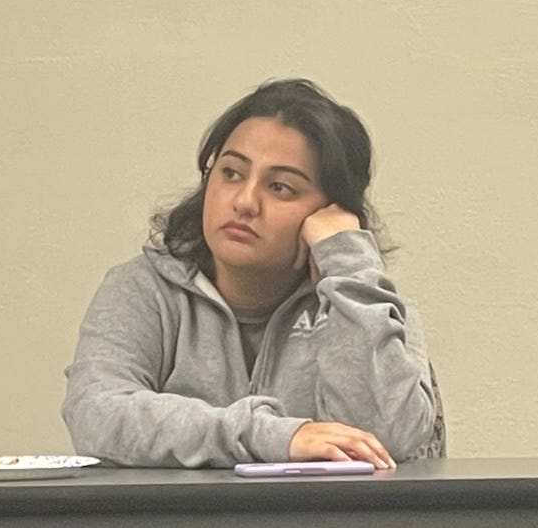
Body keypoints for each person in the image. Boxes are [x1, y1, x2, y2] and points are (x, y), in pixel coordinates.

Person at [61, 78, 444, 469]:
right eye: (231, 173)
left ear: (329, 211)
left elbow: (383, 439)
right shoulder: (144, 289)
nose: (244, 202)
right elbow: (96, 414)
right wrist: (275, 435)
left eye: (280, 187)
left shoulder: (363, 300)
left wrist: (348, 260)